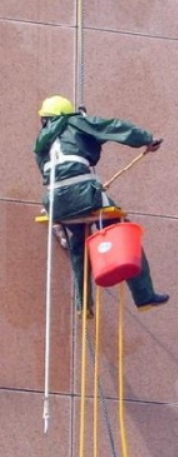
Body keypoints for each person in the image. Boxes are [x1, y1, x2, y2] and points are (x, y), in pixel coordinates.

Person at [33, 95, 169, 316]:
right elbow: (112, 127)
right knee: (122, 227)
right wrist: (146, 138)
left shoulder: (41, 141)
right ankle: (144, 295)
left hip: (54, 202)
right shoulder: (75, 121)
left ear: (45, 119)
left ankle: (83, 305)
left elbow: (49, 172)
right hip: (83, 193)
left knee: (78, 245)